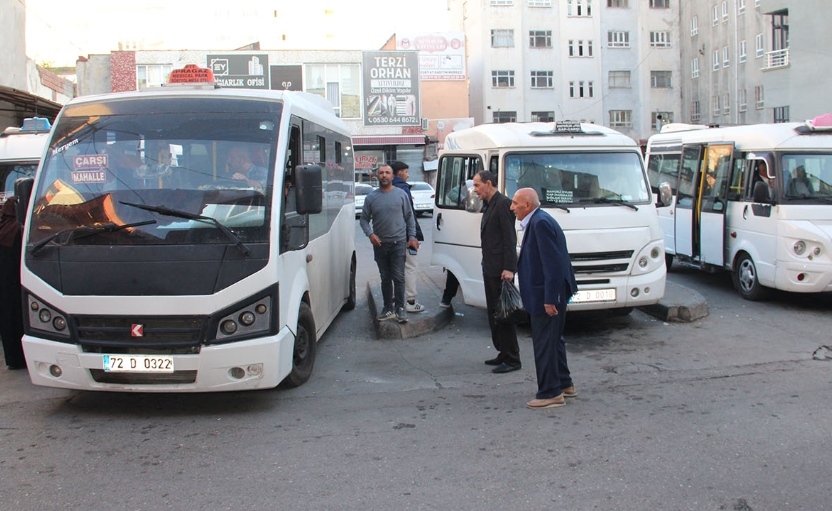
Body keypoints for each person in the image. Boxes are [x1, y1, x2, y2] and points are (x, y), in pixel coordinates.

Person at [510, 188, 577, 410]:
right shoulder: (538, 220)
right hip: (547, 293)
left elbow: (553, 264)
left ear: (527, 205)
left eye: (515, 203)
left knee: (545, 343)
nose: (512, 207)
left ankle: (550, 392)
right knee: (553, 339)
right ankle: (564, 383)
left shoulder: (539, 223)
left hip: (546, 296)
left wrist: (550, 299)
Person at [473, 170, 520, 374]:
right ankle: (503, 352)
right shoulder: (490, 204)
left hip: (502, 270)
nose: (475, 190)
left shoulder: (502, 204)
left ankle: (512, 359)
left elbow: (510, 239)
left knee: (504, 314)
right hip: (490, 267)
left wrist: (509, 268)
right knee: (494, 314)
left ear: (488, 183)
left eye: (477, 185)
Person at [360, 164, 419, 324]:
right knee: (385, 277)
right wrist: (370, 234)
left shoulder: (401, 195)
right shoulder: (371, 198)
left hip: (399, 243)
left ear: (393, 176)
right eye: (381, 173)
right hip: (380, 245)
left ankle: (401, 308)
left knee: (399, 277)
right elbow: (364, 220)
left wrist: (412, 237)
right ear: (377, 177)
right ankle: (388, 308)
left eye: (387, 173)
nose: (384, 175)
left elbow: (409, 218)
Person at [389, 161, 425, 313]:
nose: (408, 175)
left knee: (393, 269)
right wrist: (414, 236)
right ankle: (411, 301)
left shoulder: (386, 189)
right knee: (410, 267)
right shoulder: (403, 189)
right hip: (405, 236)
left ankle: (394, 301)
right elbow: (410, 216)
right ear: (399, 173)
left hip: (390, 236)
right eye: (405, 171)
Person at [0, 196, 26, 370]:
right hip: (16, 281)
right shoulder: (18, 230)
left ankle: (13, 359)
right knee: (19, 319)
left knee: (7, 320)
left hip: (3, 283)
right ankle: (22, 358)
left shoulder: (3, 228)